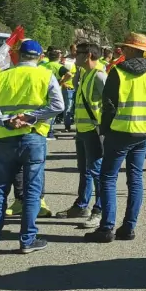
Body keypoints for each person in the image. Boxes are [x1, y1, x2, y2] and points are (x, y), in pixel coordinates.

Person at [0, 39, 64, 253]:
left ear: (17, 55)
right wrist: (32, 117)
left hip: (6, 137)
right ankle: (27, 240)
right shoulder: (46, 75)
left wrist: (5, 119)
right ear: (40, 56)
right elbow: (58, 105)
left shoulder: (1, 76)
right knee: (32, 190)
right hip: (33, 137)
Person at [84, 32, 146, 243]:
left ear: (130, 50)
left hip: (120, 131)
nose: (121, 51)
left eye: (123, 48)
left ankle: (106, 228)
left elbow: (108, 105)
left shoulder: (118, 72)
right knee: (135, 179)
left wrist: (106, 131)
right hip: (143, 132)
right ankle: (128, 227)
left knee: (108, 178)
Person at [56, 42, 107, 226]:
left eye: (78, 54)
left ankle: (100, 210)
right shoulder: (85, 74)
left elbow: (111, 104)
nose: (74, 57)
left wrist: (103, 128)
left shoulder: (99, 75)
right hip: (83, 131)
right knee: (85, 170)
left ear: (88, 56)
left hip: (94, 131)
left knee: (97, 172)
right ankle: (81, 205)